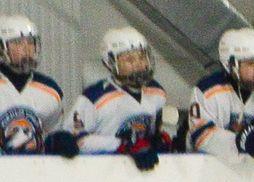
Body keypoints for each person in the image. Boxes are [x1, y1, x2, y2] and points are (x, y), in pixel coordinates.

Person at [186, 29, 254, 175]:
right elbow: (202, 138)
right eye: (250, 63)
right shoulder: (207, 91)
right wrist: (242, 140)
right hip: (207, 173)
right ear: (230, 65)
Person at [70, 27, 174, 168]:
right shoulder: (94, 97)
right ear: (110, 62)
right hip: (103, 173)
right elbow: (75, 141)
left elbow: (153, 134)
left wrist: (159, 140)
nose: (138, 64)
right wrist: (122, 145)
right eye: (129, 59)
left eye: (142, 57)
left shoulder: (157, 92)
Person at [0, 15, 72, 156]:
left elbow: (51, 134)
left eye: (31, 42)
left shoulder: (51, 90)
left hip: (35, 172)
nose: (26, 49)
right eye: (18, 43)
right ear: (2, 47)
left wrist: (57, 142)